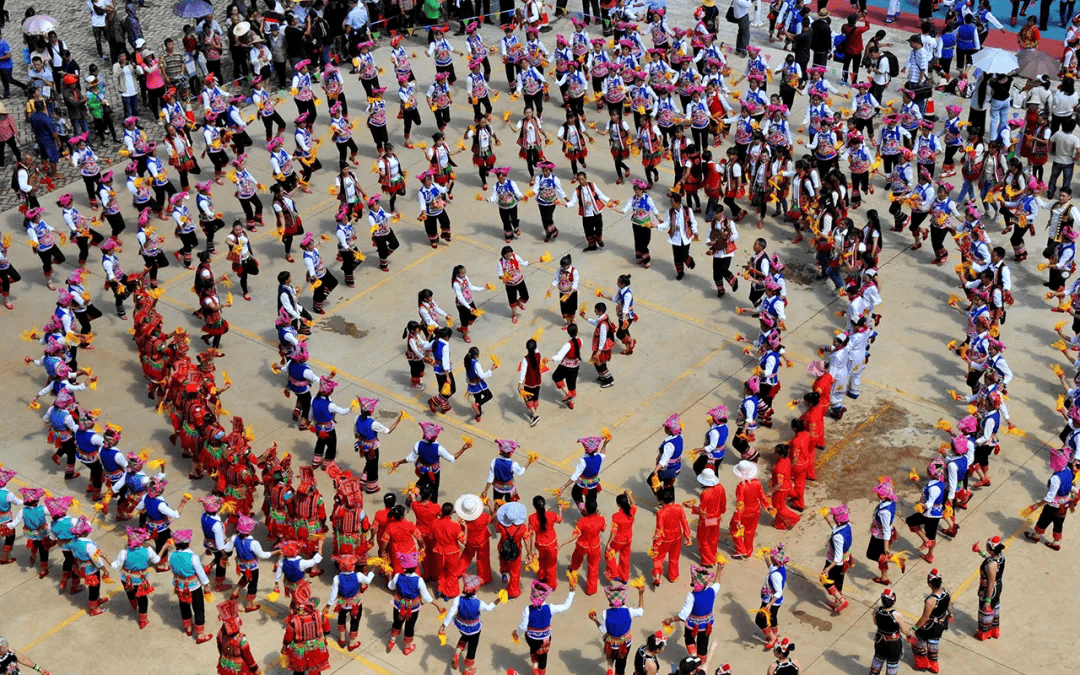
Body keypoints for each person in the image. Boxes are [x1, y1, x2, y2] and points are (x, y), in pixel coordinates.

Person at [514, 578, 576, 675]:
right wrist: (571, 592)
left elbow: (523, 627)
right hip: (545, 639)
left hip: (531, 638)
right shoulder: (550, 608)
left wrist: (516, 634)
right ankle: (540, 672)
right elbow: (565, 606)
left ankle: (534, 668)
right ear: (545, 596)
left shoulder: (528, 609)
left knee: (533, 649)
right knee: (543, 656)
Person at [664, 563, 723, 658]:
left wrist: (670, 620)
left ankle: (694, 656)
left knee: (689, 639)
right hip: (707, 625)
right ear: (707, 582)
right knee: (703, 644)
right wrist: (719, 570)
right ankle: (700, 662)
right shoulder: (712, 591)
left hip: (693, 625)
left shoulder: (691, 596)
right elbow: (717, 584)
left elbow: (682, 616)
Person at [387, 551, 440, 655]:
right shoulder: (419, 580)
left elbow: (391, 586)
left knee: (397, 622)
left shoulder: (397, 576)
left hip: (399, 603)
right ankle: (407, 647)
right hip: (412, 607)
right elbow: (426, 596)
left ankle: (392, 641)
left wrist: (389, 576)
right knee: (410, 625)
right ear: (415, 567)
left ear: (404, 567)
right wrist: (436, 604)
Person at [590, 582, 646, 675]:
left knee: (610, 657)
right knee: (621, 664)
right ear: (623, 599)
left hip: (610, 642)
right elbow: (641, 611)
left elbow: (603, 630)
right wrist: (641, 594)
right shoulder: (629, 611)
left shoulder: (605, 613)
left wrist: (595, 620)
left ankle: (610, 669)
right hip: (625, 643)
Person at [912, 569, 951, 672]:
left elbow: (924, 618)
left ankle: (923, 663)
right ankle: (934, 665)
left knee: (917, 639)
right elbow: (949, 604)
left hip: (932, 626)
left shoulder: (931, 600)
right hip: (942, 623)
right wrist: (950, 615)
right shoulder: (946, 590)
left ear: (929, 584)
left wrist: (914, 628)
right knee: (934, 643)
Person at [730, 459, 772, 558]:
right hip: (755, 511)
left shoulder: (741, 486)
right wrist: (768, 506)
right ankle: (748, 552)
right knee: (750, 532)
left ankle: (741, 549)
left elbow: (740, 504)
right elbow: (762, 496)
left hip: (744, 513)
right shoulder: (757, 482)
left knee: (734, 529)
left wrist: (738, 518)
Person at [566, 497, 607, 595]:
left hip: (582, 545)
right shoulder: (601, 519)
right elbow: (603, 529)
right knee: (593, 568)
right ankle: (591, 590)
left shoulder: (581, 521)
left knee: (576, 558)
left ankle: (573, 576)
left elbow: (575, 534)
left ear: (586, 509)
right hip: (594, 546)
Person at [869, 588, 912, 675]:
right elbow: (904, 631)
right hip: (894, 644)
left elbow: (875, 622)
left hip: (880, 641)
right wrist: (910, 633)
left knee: (878, 660)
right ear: (893, 601)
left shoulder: (876, 610)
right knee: (892, 665)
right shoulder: (897, 615)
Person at [821, 504, 853, 613]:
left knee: (826, 581)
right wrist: (827, 519)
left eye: (834, 515)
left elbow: (837, 557)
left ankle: (842, 600)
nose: (833, 516)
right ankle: (836, 602)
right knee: (838, 581)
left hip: (835, 563)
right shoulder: (847, 525)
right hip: (846, 559)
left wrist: (828, 568)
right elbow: (835, 528)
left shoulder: (837, 537)